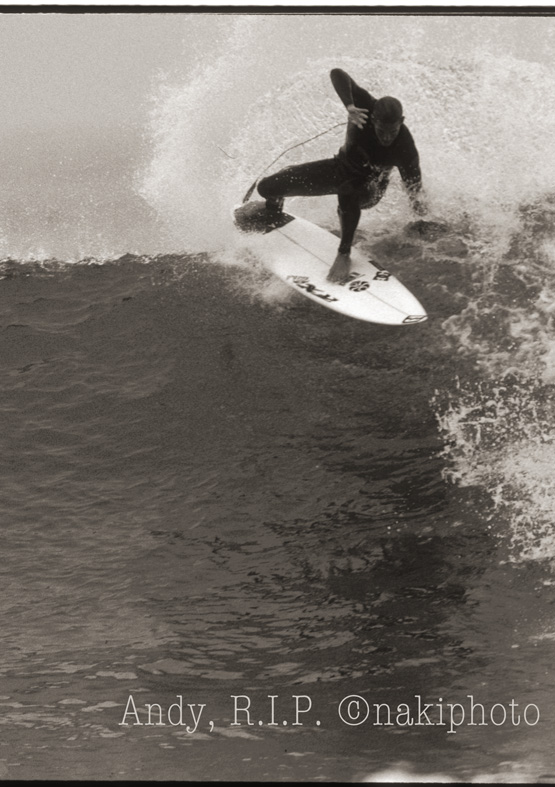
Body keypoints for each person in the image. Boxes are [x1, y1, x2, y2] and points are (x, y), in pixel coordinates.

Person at [256, 68, 428, 283]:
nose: (386, 138)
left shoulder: (405, 150)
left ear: (401, 121)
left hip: (369, 188)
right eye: (381, 131)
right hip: (339, 168)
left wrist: (421, 220)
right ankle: (273, 212)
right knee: (268, 187)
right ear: (373, 118)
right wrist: (349, 106)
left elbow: (414, 189)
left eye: (392, 132)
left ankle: (343, 254)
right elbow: (337, 74)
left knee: (348, 190)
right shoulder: (365, 107)